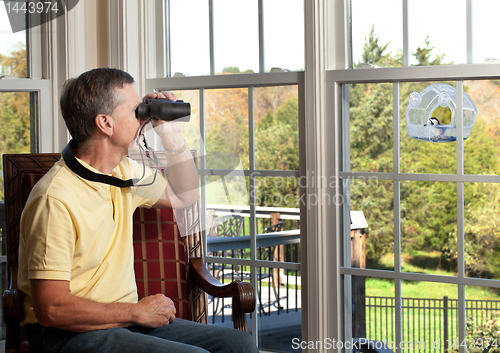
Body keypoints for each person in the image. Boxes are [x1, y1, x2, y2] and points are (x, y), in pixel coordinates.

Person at [17, 68, 258, 353]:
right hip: (63, 334)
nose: (144, 115)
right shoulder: (55, 199)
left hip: (123, 320)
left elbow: (185, 196)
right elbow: (52, 309)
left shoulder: (121, 171)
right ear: (105, 123)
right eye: (135, 109)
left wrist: (171, 135)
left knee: (238, 344)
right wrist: (134, 312)